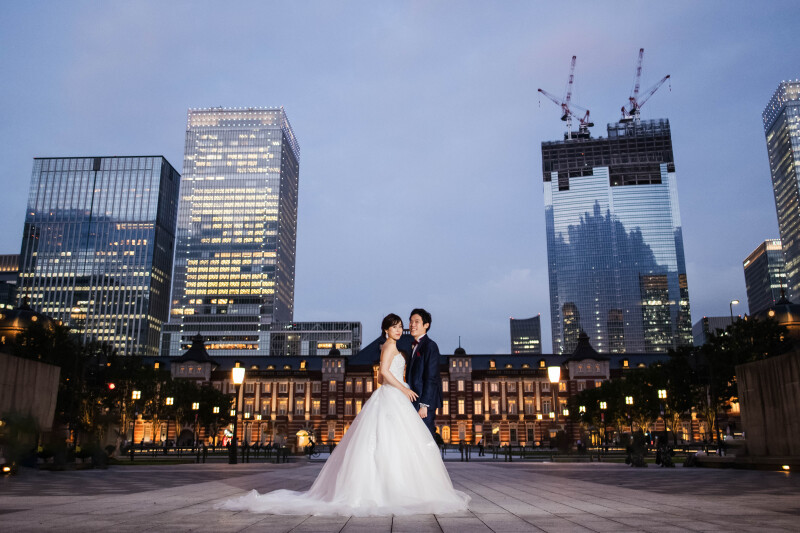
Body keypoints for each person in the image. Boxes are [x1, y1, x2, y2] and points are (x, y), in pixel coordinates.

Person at [218, 313, 469, 517]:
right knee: (388, 443)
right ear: (386, 330)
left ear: (423, 325)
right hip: (395, 397)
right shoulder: (391, 346)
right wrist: (403, 388)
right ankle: (395, 489)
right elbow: (383, 373)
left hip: (404, 401)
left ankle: (404, 488)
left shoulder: (421, 347)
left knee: (398, 444)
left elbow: (429, 377)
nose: (402, 328)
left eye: (404, 325)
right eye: (398, 325)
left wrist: (416, 397)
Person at [406, 309, 443, 436]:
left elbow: (431, 377)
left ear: (426, 325)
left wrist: (424, 405)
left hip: (424, 401)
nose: (412, 325)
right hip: (415, 400)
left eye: (417, 321)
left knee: (425, 438)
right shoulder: (415, 346)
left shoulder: (430, 346)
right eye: (411, 321)